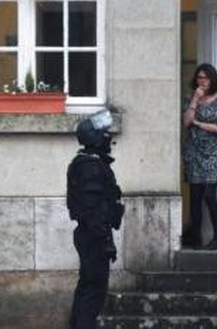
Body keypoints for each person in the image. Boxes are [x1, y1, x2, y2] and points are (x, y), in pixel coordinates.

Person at [67, 110, 124, 329]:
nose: (108, 137)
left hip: (92, 235)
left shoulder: (90, 162)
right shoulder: (90, 166)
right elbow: (93, 210)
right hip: (93, 237)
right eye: (103, 134)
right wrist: (104, 240)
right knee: (93, 291)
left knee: (88, 287)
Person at [182, 63, 217, 250]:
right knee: (195, 197)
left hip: (213, 152)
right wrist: (195, 99)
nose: (203, 81)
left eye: (206, 78)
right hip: (194, 151)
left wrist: (198, 123)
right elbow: (186, 122)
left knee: (209, 195)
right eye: (200, 77)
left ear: (213, 79)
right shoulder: (190, 98)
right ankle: (196, 239)